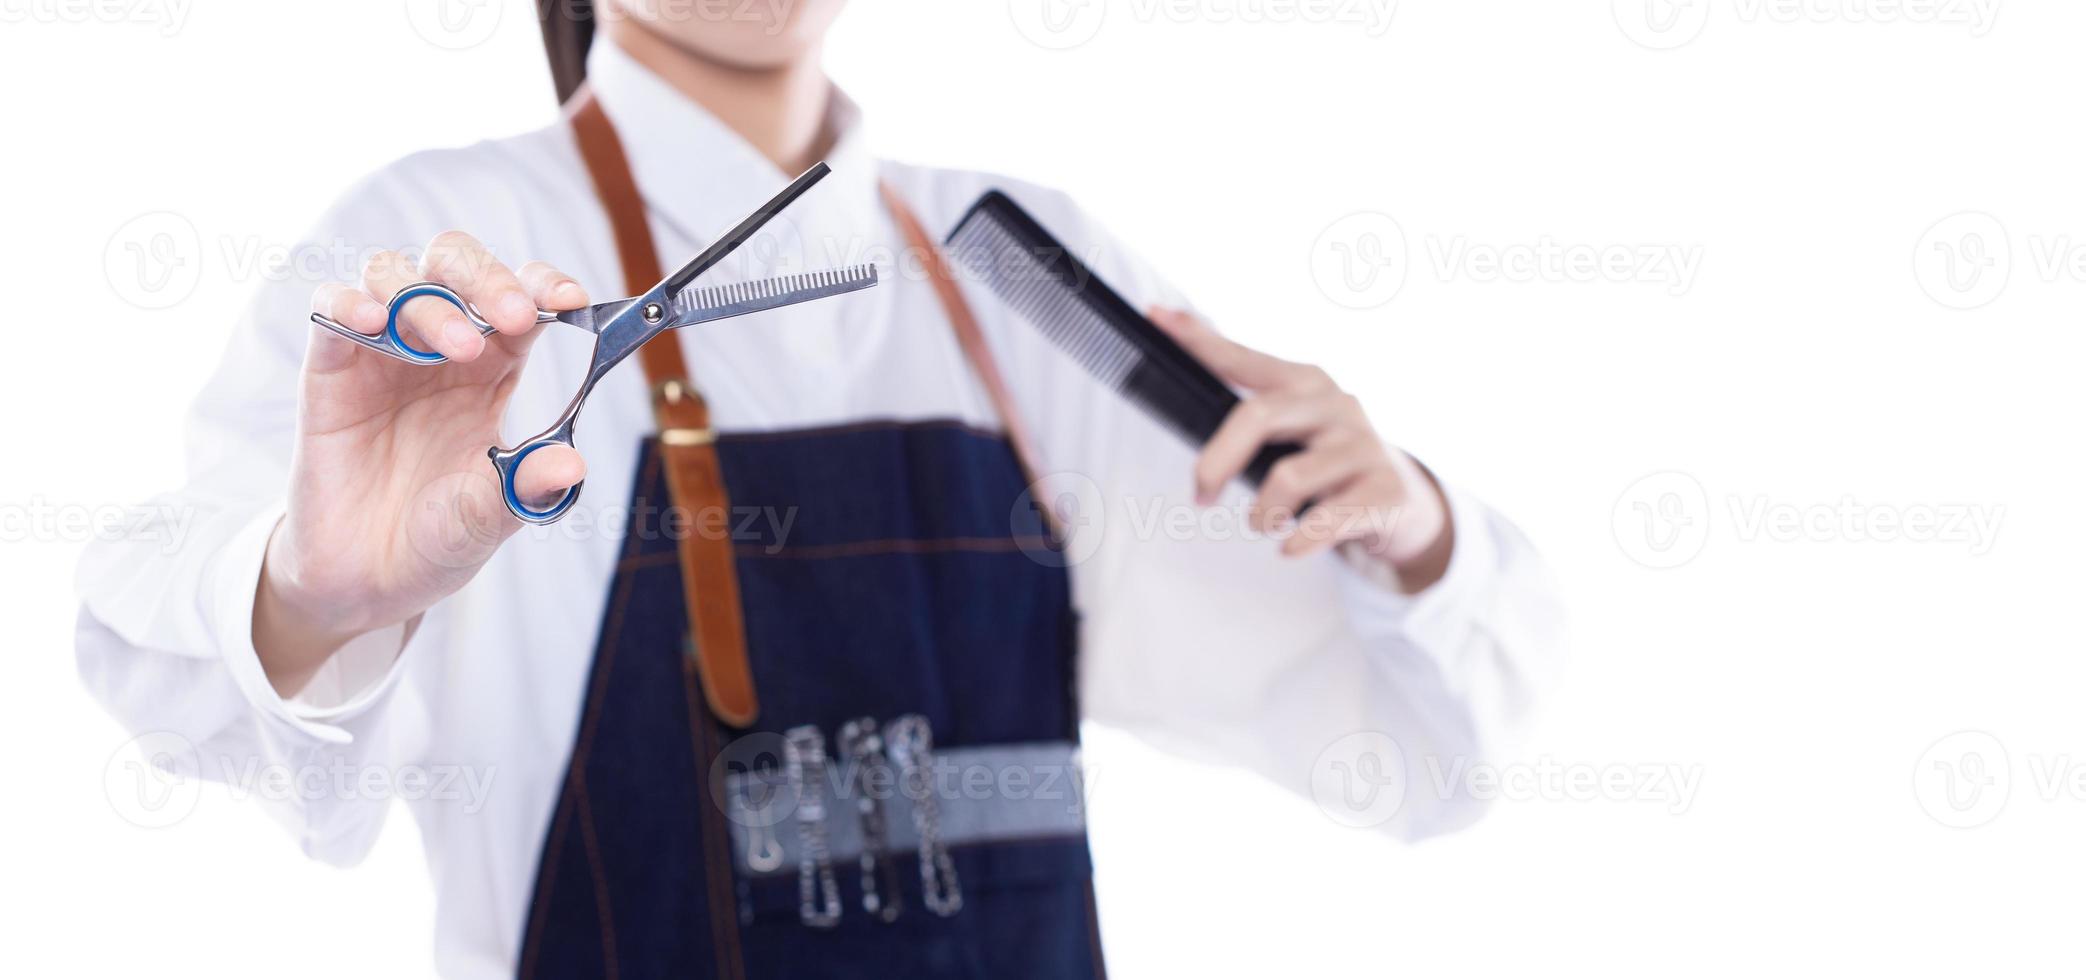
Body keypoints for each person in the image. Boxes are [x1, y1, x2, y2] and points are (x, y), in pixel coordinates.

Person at [76, 2, 1562, 976]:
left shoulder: (1019, 263)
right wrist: (310, 593)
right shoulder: (445, 245)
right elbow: (180, 664)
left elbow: (1418, 753)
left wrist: (1410, 530)